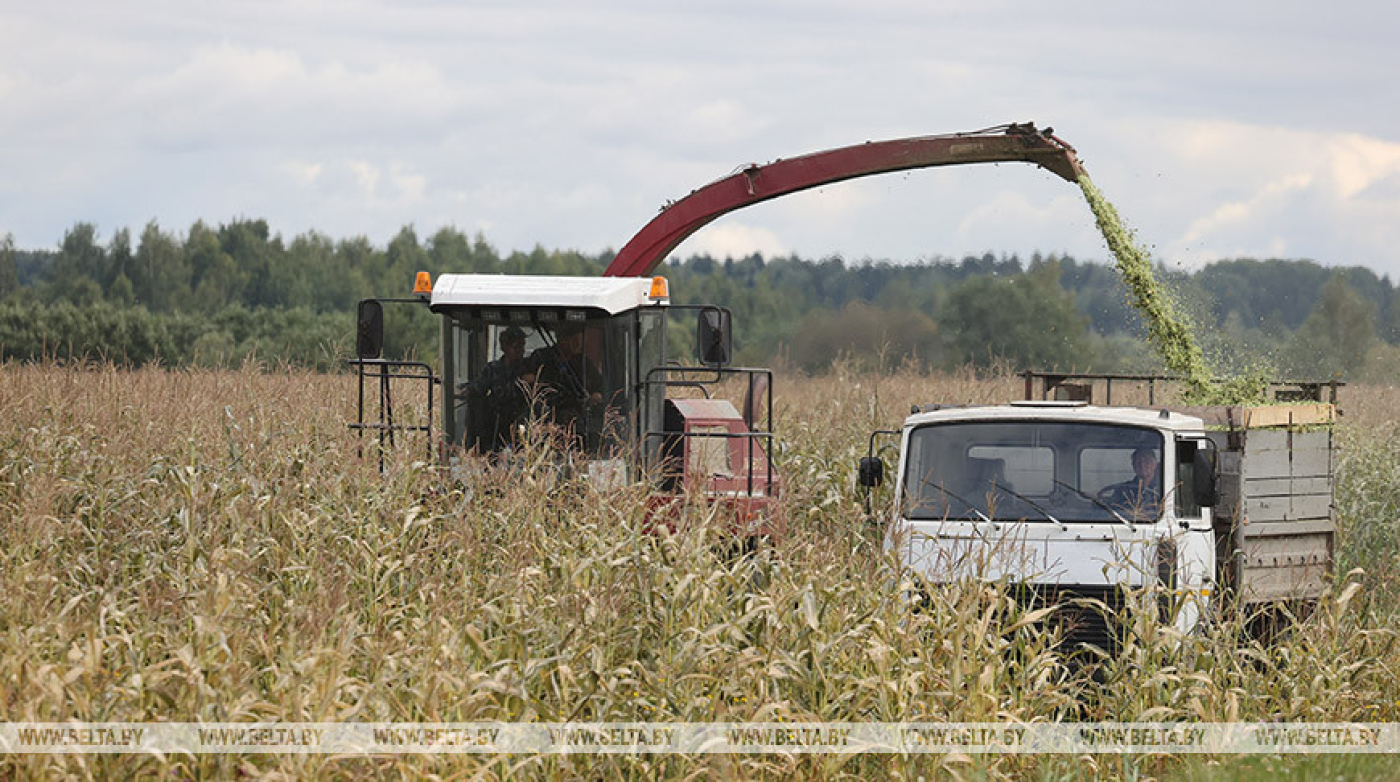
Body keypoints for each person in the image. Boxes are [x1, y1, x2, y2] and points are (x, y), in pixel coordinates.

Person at [523, 324, 604, 445]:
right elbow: (524, 381)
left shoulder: (582, 363)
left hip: (575, 423)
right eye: (574, 340)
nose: (578, 345)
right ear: (561, 339)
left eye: (580, 340)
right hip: (544, 420)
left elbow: (600, 386)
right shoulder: (541, 357)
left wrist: (596, 395)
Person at [461, 326, 530, 450]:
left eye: (522, 346)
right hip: (495, 426)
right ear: (504, 347)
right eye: (516, 346)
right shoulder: (493, 369)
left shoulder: (527, 368)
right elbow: (479, 387)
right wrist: (467, 389)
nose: (521, 351)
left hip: (520, 422)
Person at [1103, 447, 1161, 517]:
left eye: (1147, 461)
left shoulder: (1163, 488)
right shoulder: (1123, 489)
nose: (1142, 465)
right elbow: (1113, 510)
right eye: (1138, 462)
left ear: (1155, 464)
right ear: (1133, 465)